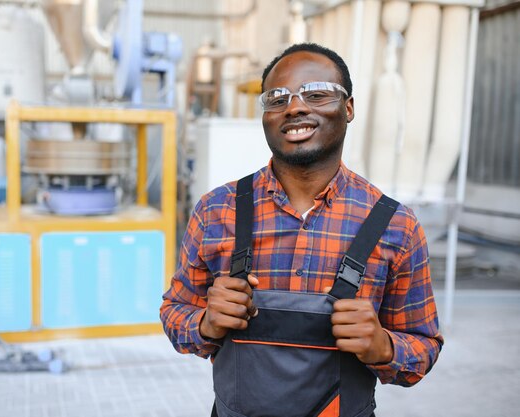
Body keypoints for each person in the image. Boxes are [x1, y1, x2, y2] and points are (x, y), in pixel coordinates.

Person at [160, 43, 443, 417]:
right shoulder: (216, 210)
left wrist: (384, 347)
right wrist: (205, 323)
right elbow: (174, 310)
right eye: (277, 98)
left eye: (317, 94)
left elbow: (423, 346)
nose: (294, 107)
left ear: (349, 108)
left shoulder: (396, 226)